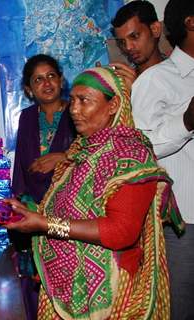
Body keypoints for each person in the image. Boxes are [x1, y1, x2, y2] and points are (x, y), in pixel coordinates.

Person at [7, 66, 184, 319]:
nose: (74, 109)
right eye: (74, 100)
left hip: (111, 293)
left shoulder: (131, 155)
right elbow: (67, 208)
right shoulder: (81, 150)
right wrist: (29, 212)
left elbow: (120, 232)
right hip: (68, 282)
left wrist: (45, 225)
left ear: (113, 106)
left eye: (84, 101)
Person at [131, 0, 194, 318]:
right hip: (185, 225)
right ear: (191, 22)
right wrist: (187, 121)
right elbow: (142, 149)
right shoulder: (155, 80)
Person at [11, 54, 76, 320]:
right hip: (32, 211)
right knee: (34, 281)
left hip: (69, 212)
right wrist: (19, 206)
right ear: (29, 89)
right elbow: (20, 169)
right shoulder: (26, 118)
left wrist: (63, 157)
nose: (46, 83)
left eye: (51, 76)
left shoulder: (77, 111)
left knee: (70, 283)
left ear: (61, 80)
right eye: (38, 79)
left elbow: (95, 155)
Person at [110, 0, 165, 89]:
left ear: (155, 29)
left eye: (134, 36)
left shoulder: (180, 72)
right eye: (122, 42)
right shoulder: (122, 81)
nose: (128, 47)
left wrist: (137, 90)